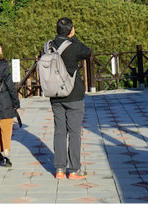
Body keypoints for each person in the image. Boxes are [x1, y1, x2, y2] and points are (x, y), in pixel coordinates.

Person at [47, 17, 92, 180]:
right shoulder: (74, 47)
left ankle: (59, 169)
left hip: (55, 94)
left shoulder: (49, 46)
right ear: (71, 30)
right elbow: (88, 52)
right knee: (74, 132)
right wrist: (74, 37)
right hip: (73, 94)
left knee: (59, 131)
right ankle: (73, 170)